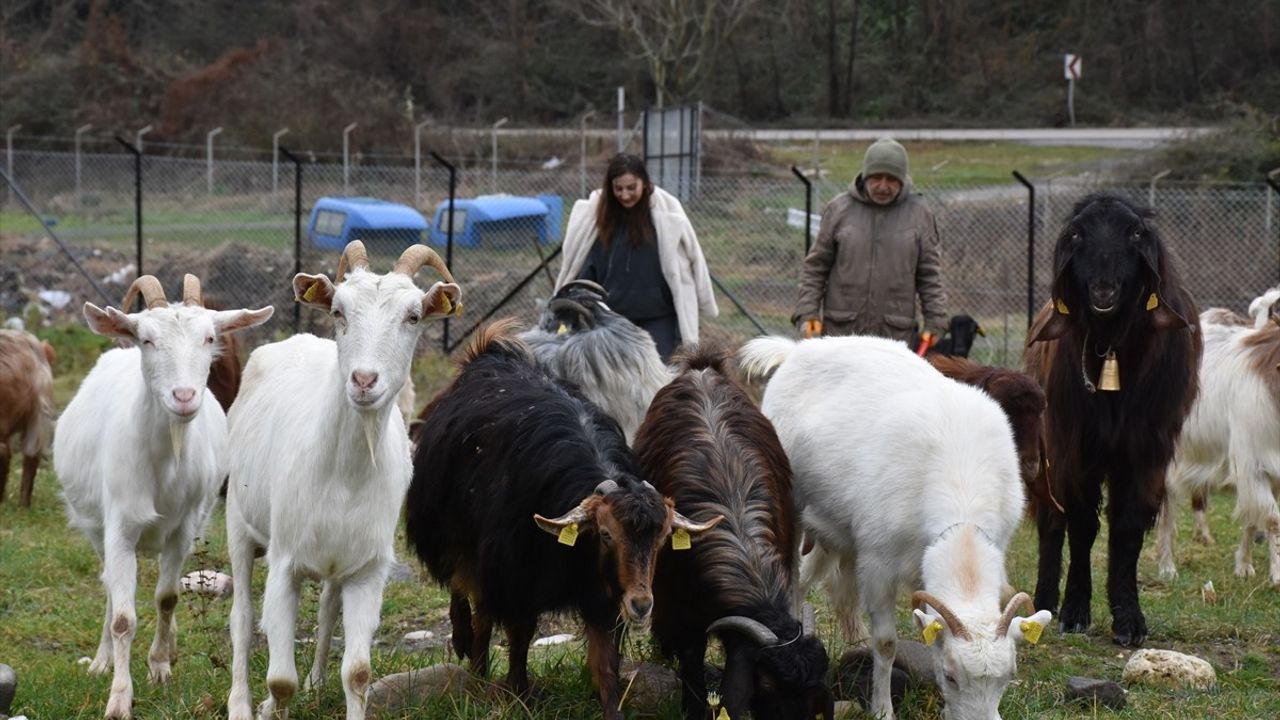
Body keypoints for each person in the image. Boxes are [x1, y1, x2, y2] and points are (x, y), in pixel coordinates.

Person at [556, 153, 718, 360]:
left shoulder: (666, 214)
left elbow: (694, 256)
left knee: (660, 380)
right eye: (618, 189)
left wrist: (704, 299)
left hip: (659, 318)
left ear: (644, 183)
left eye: (631, 188)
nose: (625, 195)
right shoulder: (598, 219)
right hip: (611, 321)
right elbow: (584, 267)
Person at [792, 137, 948, 346]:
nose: (883, 186)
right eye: (876, 177)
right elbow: (815, 268)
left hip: (894, 341)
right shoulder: (839, 210)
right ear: (865, 176)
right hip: (841, 335)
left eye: (891, 179)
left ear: (902, 180)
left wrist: (936, 319)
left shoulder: (919, 215)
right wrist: (807, 312)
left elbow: (930, 276)